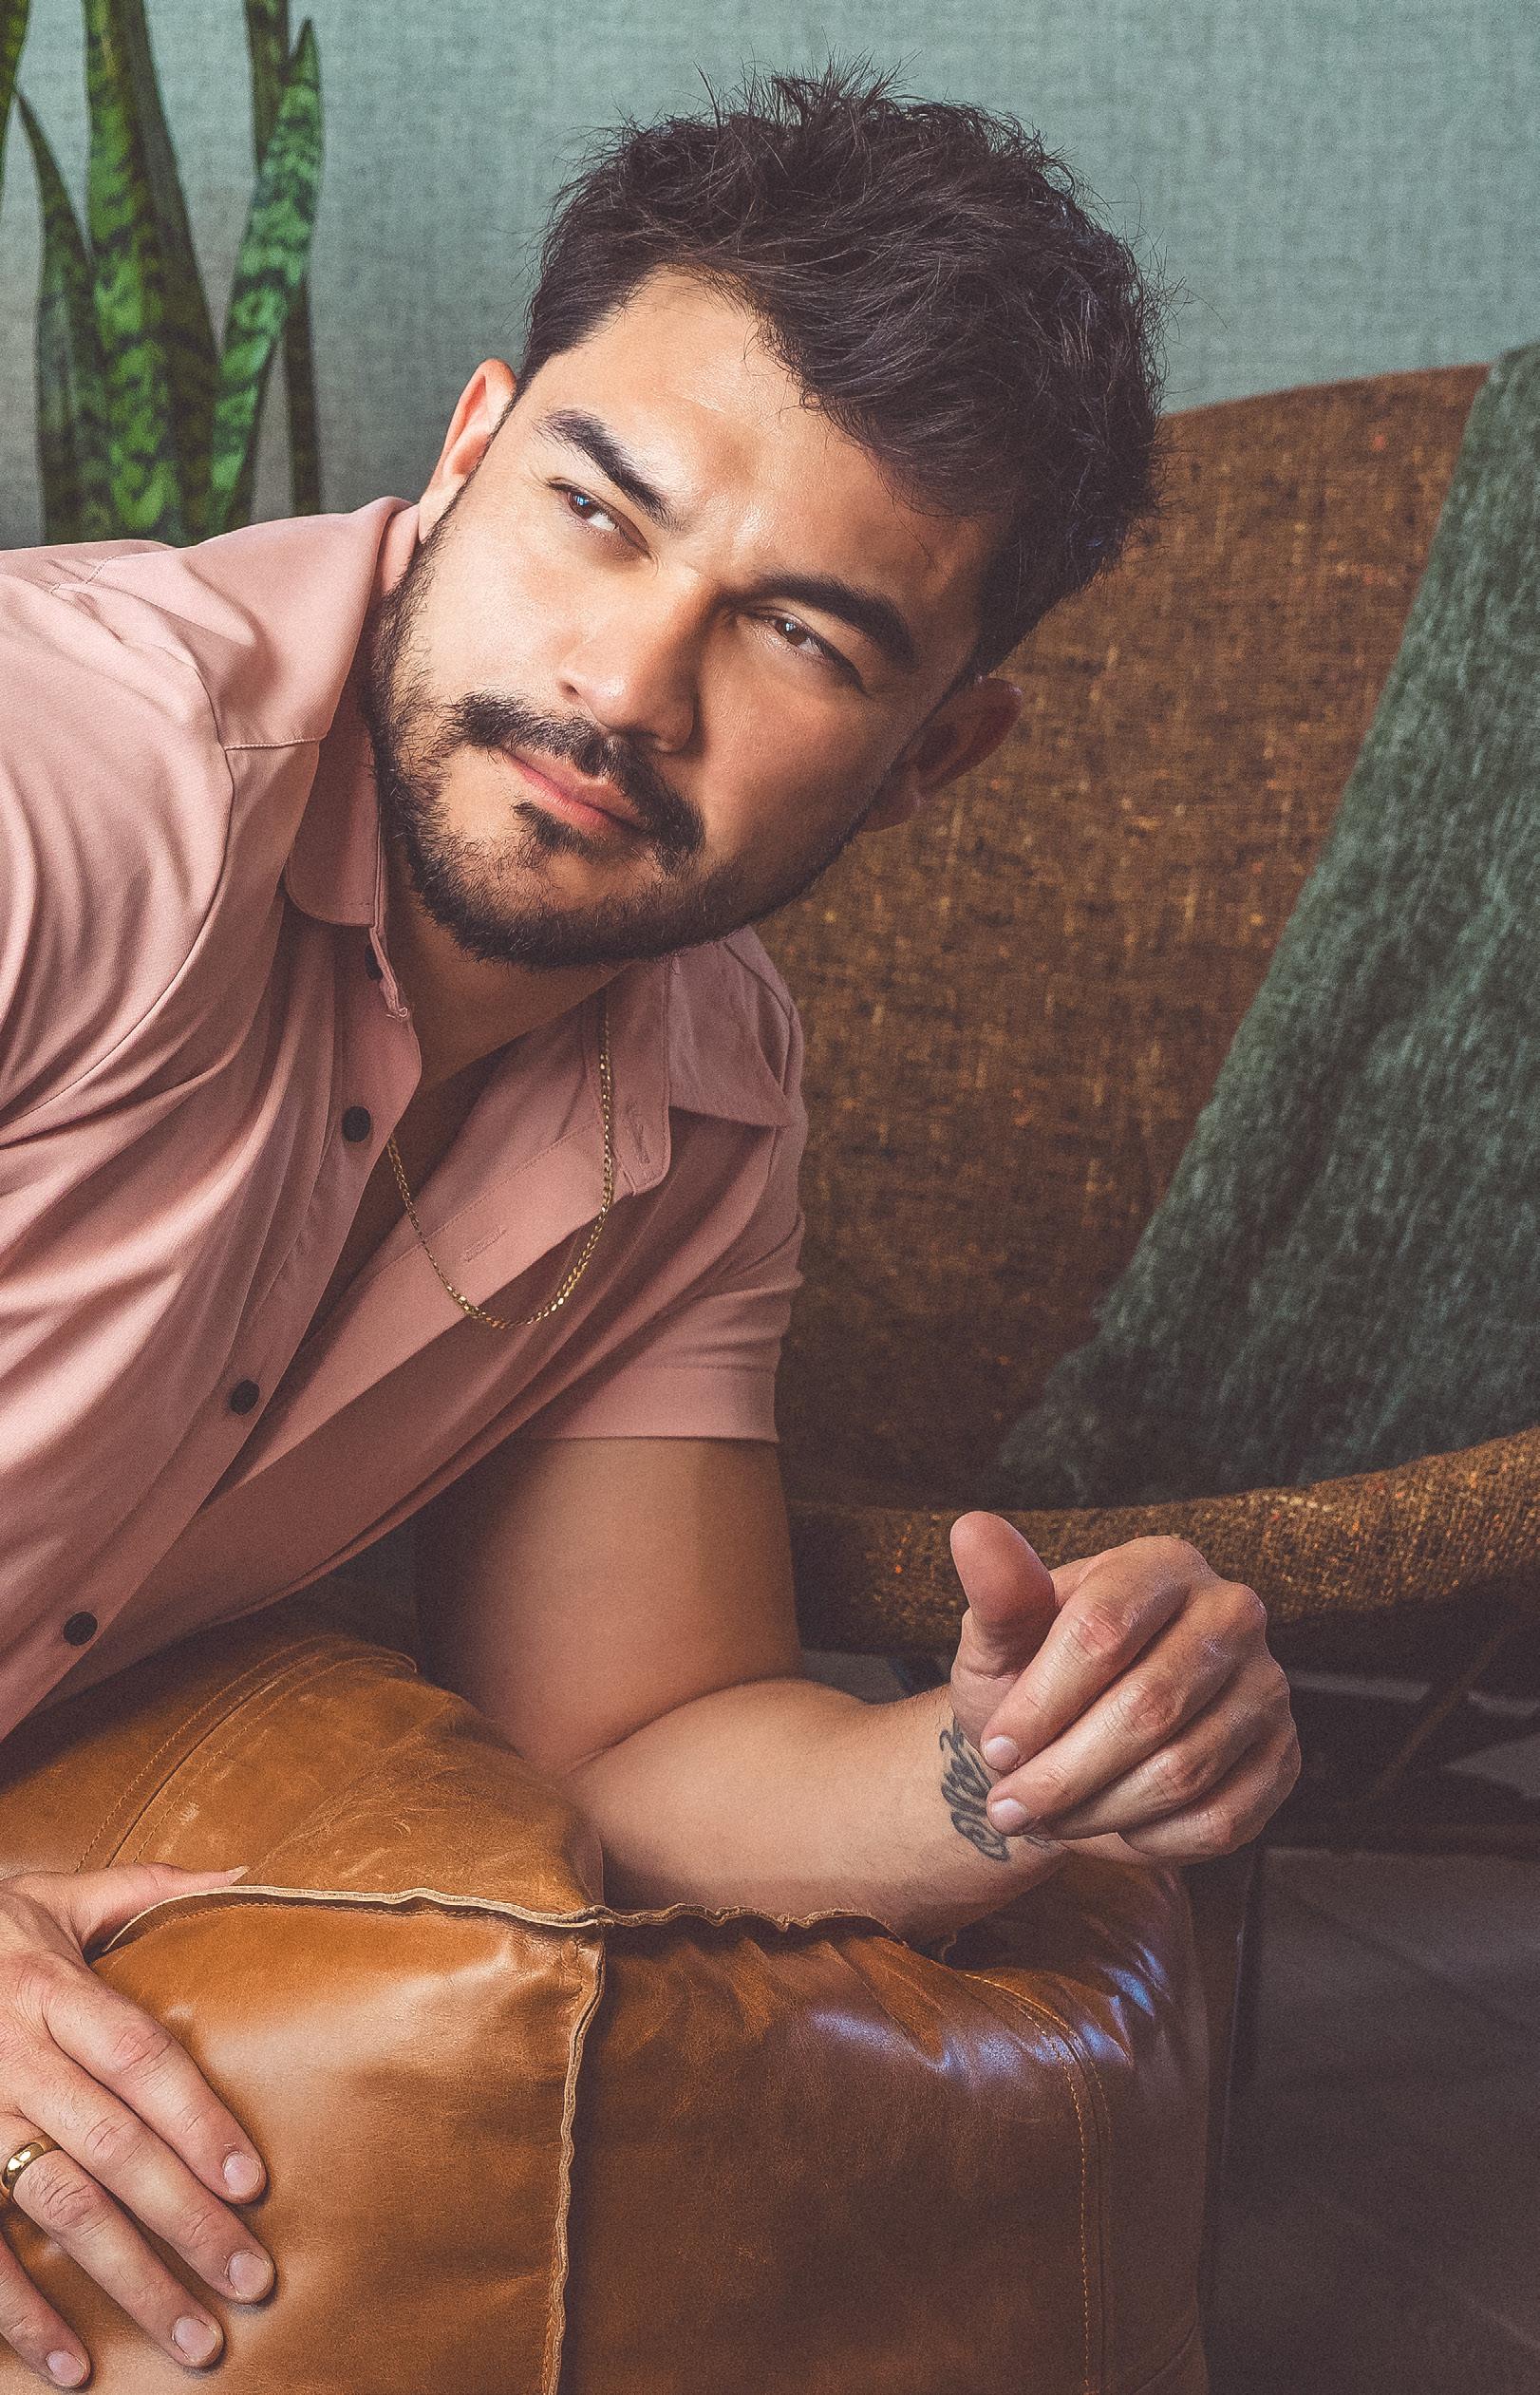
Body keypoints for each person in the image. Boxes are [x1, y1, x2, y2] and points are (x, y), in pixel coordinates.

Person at [0, 57, 1300, 2387]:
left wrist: (1019, 1762)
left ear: (933, 757)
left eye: (802, 636)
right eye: (598, 512)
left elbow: (632, 1738)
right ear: (473, 443)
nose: (621, 686)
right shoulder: (68, 782)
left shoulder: (704, 1091)